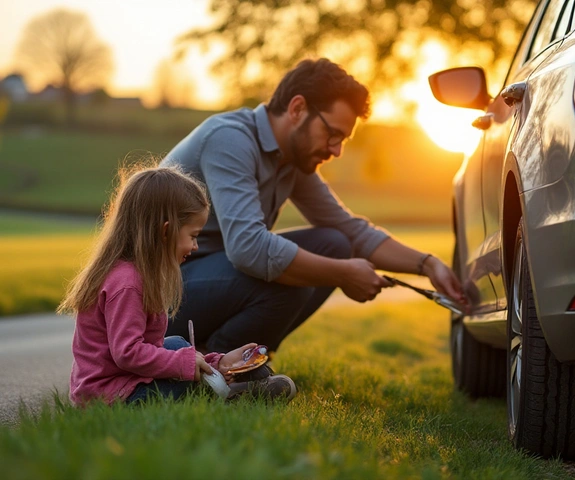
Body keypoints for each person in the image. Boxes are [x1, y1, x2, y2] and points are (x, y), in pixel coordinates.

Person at [160, 58, 465, 356]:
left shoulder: (291, 161)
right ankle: (220, 363)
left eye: (343, 140)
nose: (336, 150)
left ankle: (220, 357)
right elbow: (248, 248)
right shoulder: (230, 139)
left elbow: (350, 230)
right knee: (291, 271)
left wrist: (427, 264)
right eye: (333, 134)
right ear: (297, 109)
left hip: (201, 282)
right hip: (155, 293)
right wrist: (342, 274)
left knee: (333, 243)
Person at [58, 165, 296, 406]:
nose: (195, 246)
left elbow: (153, 348)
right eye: (193, 236)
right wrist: (185, 364)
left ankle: (224, 374)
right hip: (110, 395)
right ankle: (232, 397)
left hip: (125, 380)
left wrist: (216, 361)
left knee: (177, 344)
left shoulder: (137, 274)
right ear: (166, 231)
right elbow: (128, 353)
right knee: (181, 377)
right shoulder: (127, 284)